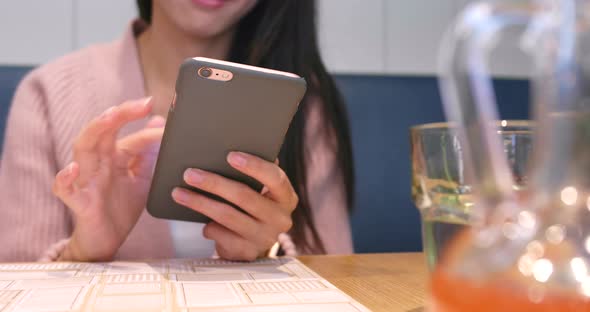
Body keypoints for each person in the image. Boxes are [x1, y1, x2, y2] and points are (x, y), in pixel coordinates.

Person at [0, 0, 354, 262]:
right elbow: (13, 290)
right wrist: (81, 252)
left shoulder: (305, 108)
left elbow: (337, 277)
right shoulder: (47, 94)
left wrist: (267, 252)